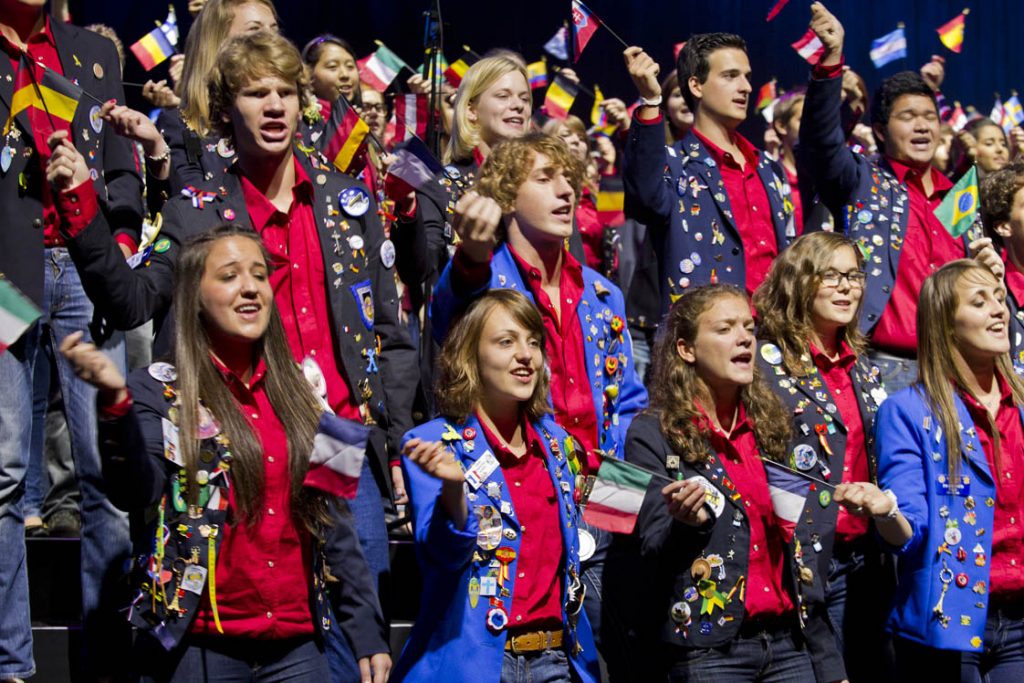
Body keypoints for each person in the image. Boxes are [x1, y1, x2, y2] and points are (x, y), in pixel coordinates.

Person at [49, 30, 416, 682]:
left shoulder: (345, 199)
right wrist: (80, 206)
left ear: (305, 104)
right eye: (256, 94)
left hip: (338, 437)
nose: (274, 106)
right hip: (236, 433)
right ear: (225, 110)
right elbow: (133, 298)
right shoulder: (201, 210)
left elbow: (392, 327)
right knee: (246, 618)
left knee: (357, 645)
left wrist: (384, 425)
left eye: (285, 92)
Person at [60, 225, 391, 682]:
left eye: (259, 274)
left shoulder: (311, 393)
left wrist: (367, 631)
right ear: (194, 297)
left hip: (297, 649)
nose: (251, 287)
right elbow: (135, 490)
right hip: (200, 648)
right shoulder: (154, 391)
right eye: (230, 275)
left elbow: (337, 524)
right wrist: (115, 406)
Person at [431, 132, 647, 666]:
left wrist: (619, 506)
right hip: (525, 495)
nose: (566, 191)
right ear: (506, 195)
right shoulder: (485, 280)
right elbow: (448, 310)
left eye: (570, 179)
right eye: (545, 179)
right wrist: (471, 256)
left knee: (613, 653)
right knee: (537, 654)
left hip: (605, 496)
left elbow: (629, 405)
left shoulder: (602, 291)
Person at [0, 0, 143, 678]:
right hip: (4, 278)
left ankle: (107, 662)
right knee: (3, 474)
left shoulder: (95, 51)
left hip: (85, 271)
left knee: (104, 470)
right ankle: (12, 665)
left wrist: (115, 243)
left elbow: (123, 169)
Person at [623, 284, 841, 682]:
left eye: (748, 328)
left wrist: (828, 661)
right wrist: (686, 525)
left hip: (789, 645)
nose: (744, 338)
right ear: (686, 349)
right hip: (708, 654)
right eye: (724, 329)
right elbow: (639, 552)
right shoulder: (646, 432)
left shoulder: (778, 427)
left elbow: (803, 554)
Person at [393, 289, 599, 683]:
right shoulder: (430, 443)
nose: (525, 355)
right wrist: (454, 490)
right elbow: (442, 559)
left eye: (534, 342)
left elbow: (612, 526)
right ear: (470, 356)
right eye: (506, 342)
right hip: (474, 665)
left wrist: (665, 501)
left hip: (555, 660)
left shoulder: (560, 444)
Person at [797, 2, 1003, 393]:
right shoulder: (862, 179)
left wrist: (987, 274)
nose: (923, 125)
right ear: (880, 129)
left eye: (930, 116)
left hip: (955, 366)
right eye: (908, 117)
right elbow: (820, 145)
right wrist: (831, 61)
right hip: (881, 367)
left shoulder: (958, 195)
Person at [872, 259, 1024, 680]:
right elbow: (910, 530)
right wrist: (886, 511)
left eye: (999, 298)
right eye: (980, 302)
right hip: (945, 627)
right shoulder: (905, 411)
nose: (999, 309)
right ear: (946, 324)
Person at [753, 231, 894, 680]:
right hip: (805, 561)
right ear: (799, 281)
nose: (847, 287)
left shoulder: (863, 364)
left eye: (853, 276)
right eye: (831, 276)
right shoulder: (763, 363)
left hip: (865, 558)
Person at [621, 35, 796, 312]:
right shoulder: (674, 165)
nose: (746, 87)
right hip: (707, 341)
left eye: (747, 76)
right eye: (730, 76)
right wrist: (651, 100)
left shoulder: (769, 168)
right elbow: (644, 200)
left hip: (777, 338)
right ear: (696, 85)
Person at [159, 0, 279, 191]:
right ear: (219, 41)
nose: (271, 39)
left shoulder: (299, 114)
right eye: (254, 29)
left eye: (274, 29)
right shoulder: (181, 124)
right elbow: (191, 206)